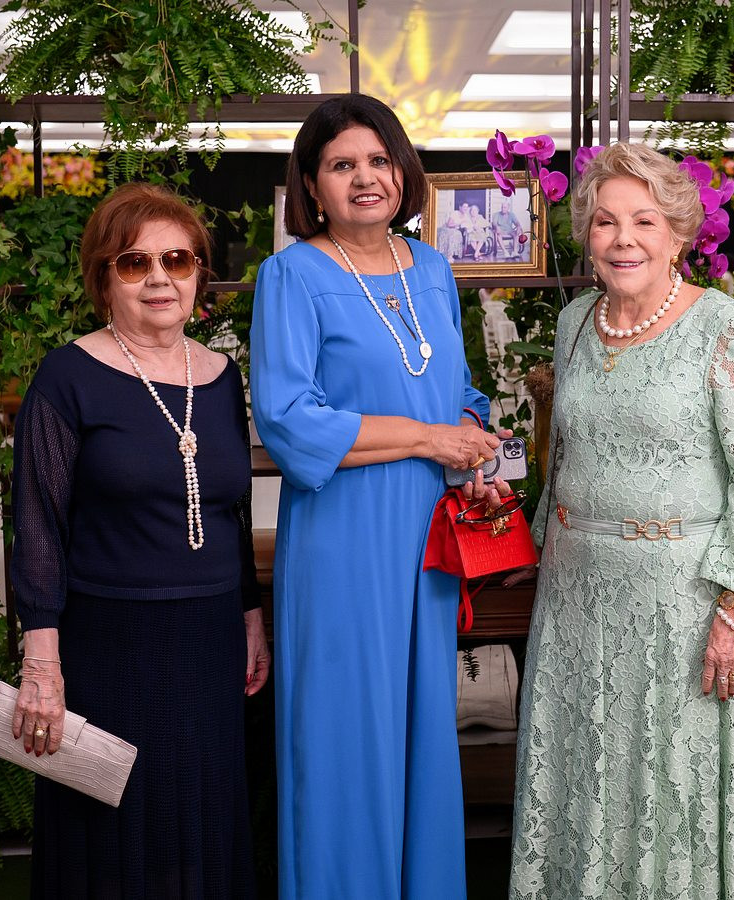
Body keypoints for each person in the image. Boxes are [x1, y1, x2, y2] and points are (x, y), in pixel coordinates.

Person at [509, 142, 734, 899]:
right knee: (581, 776)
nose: (622, 238)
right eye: (605, 222)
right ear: (587, 235)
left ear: (678, 234)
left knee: (667, 786)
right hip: (574, 599)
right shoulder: (574, 322)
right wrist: (535, 540)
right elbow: (568, 453)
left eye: (644, 221)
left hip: (682, 606)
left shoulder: (721, 325)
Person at [251, 93, 505, 900]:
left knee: (423, 729)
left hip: (427, 538)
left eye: (377, 160)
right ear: (312, 185)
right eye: (341, 165)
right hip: (342, 538)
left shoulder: (431, 268)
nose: (364, 178)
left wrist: (472, 438)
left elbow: (458, 391)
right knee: (345, 734)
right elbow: (290, 422)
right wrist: (431, 439)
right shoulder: (291, 275)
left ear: (403, 170)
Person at [10, 182, 266, 897]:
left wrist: (250, 614)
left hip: (209, 640)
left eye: (177, 260)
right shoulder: (67, 377)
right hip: (109, 646)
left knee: (200, 820)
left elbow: (232, 510)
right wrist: (41, 666)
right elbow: (37, 526)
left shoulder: (222, 376)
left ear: (198, 274)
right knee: (109, 837)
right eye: (135, 263)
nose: (160, 278)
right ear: (104, 279)